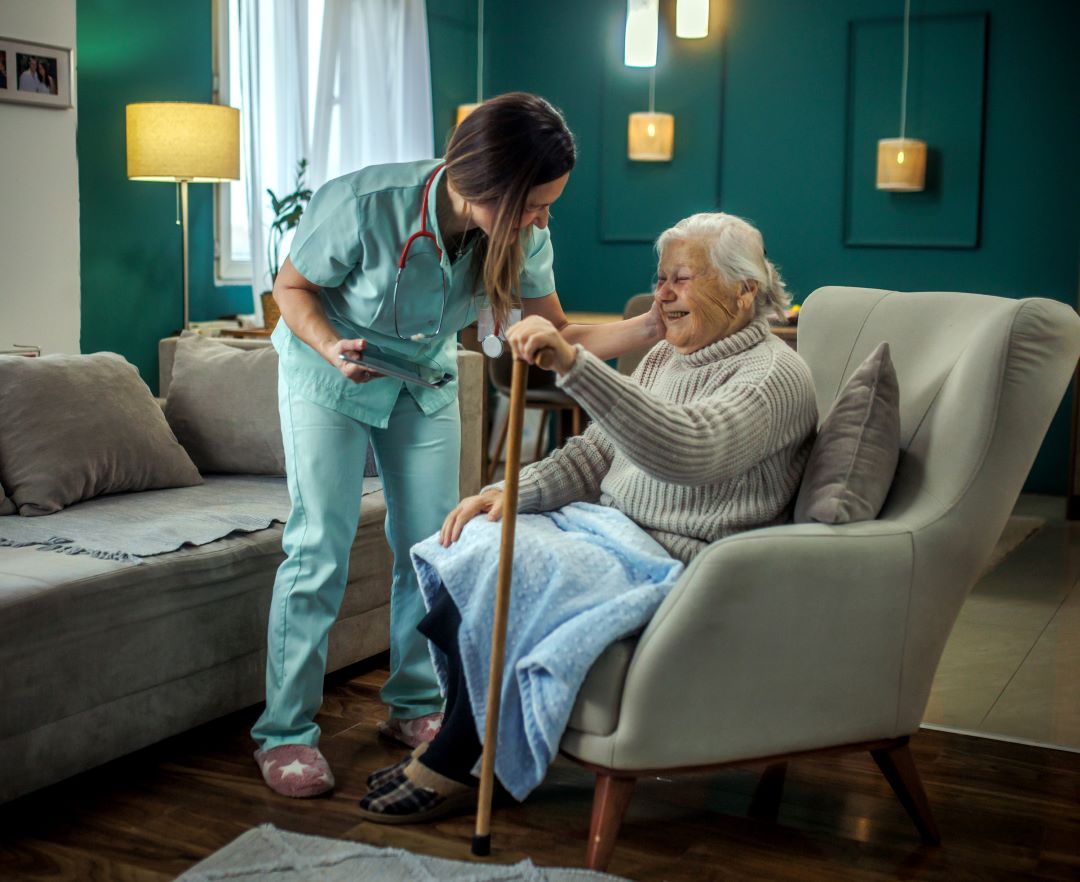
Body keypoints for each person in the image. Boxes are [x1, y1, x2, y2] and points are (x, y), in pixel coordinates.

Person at [251, 92, 664, 798]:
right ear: (487, 187)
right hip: (330, 373)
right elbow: (291, 289)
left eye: (548, 204)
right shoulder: (364, 201)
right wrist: (328, 346)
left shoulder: (524, 237)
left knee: (433, 548)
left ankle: (414, 703)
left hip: (422, 380)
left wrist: (653, 327)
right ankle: (285, 732)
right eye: (533, 203)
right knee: (320, 544)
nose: (542, 219)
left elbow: (557, 335)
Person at [354, 212, 819, 823]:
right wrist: (512, 491)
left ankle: (456, 758)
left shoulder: (776, 375)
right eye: (660, 279)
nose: (663, 293)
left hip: (674, 558)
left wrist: (577, 365)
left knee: (519, 566)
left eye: (681, 278)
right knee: (473, 545)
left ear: (744, 289)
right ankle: (461, 746)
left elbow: (688, 449)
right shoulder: (666, 359)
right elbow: (599, 450)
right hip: (609, 530)